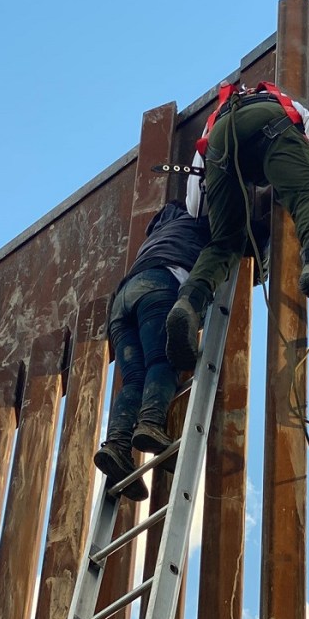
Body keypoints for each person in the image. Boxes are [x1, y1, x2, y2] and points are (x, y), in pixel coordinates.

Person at [168, 81, 309, 371]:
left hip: (219, 150)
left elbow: (195, 205)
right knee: (308, 194)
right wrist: (285, 179)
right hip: (273, 127)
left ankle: (189, 303)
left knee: (225, 242)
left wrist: (227, 211)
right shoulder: (285, 102)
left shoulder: (215, 119)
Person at [94, 200, 210, 500]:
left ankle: (117, 447)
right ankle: (150, 424)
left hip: (123, 300)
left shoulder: (163, 228)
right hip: (161, 284)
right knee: (163, 359)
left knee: (133, 379)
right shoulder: (201, 221)